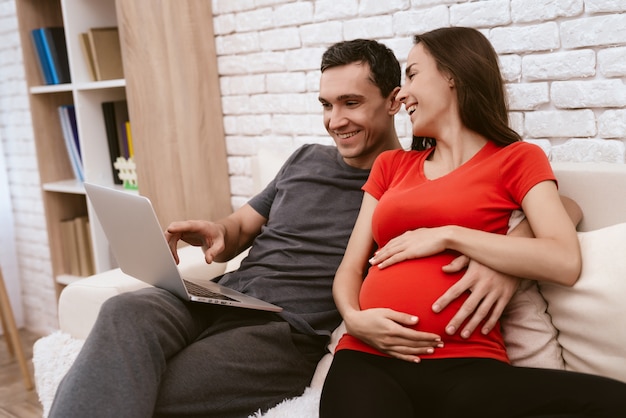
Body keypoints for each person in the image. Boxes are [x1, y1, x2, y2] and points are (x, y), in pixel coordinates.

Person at [50, 39, 543, 418]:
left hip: (283, 331)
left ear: (395, 101)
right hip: (224, 296)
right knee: (124, 311)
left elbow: (552, 202)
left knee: (135, 386)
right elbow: (244, 224)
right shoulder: (304, 158)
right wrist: (219, 232)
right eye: (326, 105)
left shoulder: (418, 174)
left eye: (350, 103)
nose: (334, 120)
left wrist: (506, 264)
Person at [319, 27, 626, 418]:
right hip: (369, 358)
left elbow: (563, 260)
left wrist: (449, 236)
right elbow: (350, 268)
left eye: (411, 74)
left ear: (453, 74)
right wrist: (355, 319)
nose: (400, 93)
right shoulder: (391, 166)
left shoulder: (517, 159)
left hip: (468, 366)